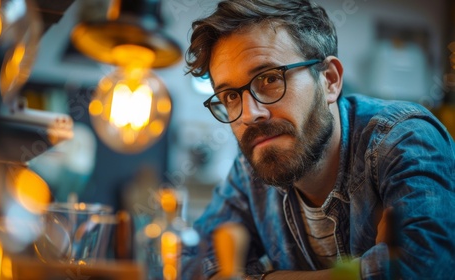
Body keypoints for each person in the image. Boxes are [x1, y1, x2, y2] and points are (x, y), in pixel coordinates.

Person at [180, 0, 455, 279]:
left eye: (270, 79)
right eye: (230, 96)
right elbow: (191, 260)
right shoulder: (252, 166)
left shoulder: (403, 139)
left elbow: (425, 267)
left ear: (330, 80)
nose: (250, 115)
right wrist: (362, 272)